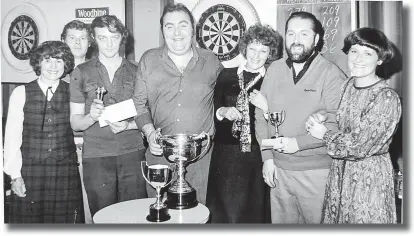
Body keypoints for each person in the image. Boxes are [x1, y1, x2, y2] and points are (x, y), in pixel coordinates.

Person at [254, 11, 347, 223]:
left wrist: (298, 143)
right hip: (278, 172)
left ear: (316, 39)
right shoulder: (275, 69)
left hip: (316, 173)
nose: (296, 41)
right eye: (291, 34)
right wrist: (267, 158)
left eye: (304, 34)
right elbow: (261, 115)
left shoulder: (331, 74)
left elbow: (338, 125)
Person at [305, 27, 401, 224]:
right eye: (354, 51)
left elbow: (359, 145)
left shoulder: (386, 97)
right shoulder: (348, 84)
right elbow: (347, 119)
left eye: (368, 53)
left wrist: (324, 134)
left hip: (368, 178)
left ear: (380, 59)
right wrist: (323, 116)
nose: (358, 58)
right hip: (341, 172)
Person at [133, 3, 223, 205]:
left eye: (183, 25)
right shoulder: (149, 59)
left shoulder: (211, 61)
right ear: (162, 30)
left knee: (198, 217)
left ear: (193, 28)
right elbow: (139, 103)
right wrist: (149, 132)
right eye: (169, 26)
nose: (177, 33)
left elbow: (224, 101)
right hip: (159, 157)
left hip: (201, 161)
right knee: (160, 215)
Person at [69, 15, 147, 217]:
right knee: (103, 218)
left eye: (114, 37)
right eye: (102, 38)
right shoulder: (81, 71)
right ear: (94, 39)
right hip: (97, 156)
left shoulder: (138, 70)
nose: (109, 43)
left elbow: (149, 115)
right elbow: (76, 123)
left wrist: (128, 125)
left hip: (133, 152)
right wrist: (91, 117)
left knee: (134, 217)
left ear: (123, 38)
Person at [205, 24, 283, 223]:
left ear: (270, 53)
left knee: (252, 212)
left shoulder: (275, 80)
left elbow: (281, 121)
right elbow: (214, 108)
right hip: (225, 155)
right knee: (223, 212)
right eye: (253, 49)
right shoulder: (226, 74)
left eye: (263, 50)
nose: (257, 56)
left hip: (256, 155)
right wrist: (222, 111)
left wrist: (266, 109)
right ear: (244, 49)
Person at [3, 41, 84, 223]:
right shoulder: (21, 93)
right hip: (31, 170)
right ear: (38, 63)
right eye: (48, 60)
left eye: (59, 61)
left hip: (65, 170)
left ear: (66, 65)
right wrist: (15, 175)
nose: (53, 66)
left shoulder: (74, 93)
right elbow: (12, 139)